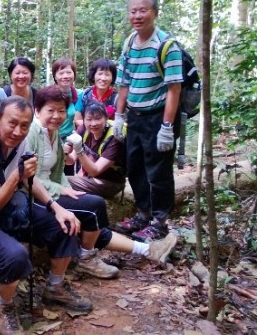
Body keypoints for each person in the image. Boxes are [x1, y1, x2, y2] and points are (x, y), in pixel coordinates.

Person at [0, 96, 91, 335]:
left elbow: (28, 179)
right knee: (15, 255)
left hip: (4, 206)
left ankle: (54, 287)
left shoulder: (21, 143)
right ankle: (3, 309)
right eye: (12, 123)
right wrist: (17, 176)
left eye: (25, 125)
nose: (18, 131)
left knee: (64, 225)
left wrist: (56, 208)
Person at [27, 86, 178, 279]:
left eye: (61, 111)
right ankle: (86, 260)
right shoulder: (32, 132)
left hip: (54, 190)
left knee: (90, 220)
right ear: (37, 111)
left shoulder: (54, 132)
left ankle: (148, 250)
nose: (56, 115)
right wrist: (62, 189)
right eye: (50, 110)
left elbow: (58, 172)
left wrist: (64, 187)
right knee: (93, 207)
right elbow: (30, 178)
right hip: (36, 195)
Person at [113, 0, 183, 242]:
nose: (137, 15)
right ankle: (143, 214)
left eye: (143, 10)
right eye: (133, 11)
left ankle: (160, 221)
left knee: (159, 171)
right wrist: (119, 116)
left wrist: (167, 126)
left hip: (158, 117)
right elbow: (124, 82)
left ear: (155, 12)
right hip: (136, 116)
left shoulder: (167, 46)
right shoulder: (130, 42)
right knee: (136, 167)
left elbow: (174, 88)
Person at [67, 102, 125, 199]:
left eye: (98, 118)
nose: (93, 123)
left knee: (63, 181)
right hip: (88, 178)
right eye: (89, 119)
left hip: (110, 182)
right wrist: (64, 153)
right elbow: (71, 160)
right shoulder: (83, 129)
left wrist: (79, 149)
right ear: (84, 120)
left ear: (106, 118)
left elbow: (95, 171)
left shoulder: (114, 138)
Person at [52, 57, 79, 175]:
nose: (65, 76)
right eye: (61, 73)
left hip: (69, 139)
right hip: (52, 139)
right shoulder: (49, 94)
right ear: (55, 76)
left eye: (69, 72)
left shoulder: (78, 95)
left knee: (68, 173)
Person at [74, 58, 118, 128]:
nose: (103, 78)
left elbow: (121, 123)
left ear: (112, 78)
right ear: (94, 76)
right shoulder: (85, 95)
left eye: (107, 75)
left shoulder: (117, 99)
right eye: (100, 74)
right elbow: (77, 119)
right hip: (86, 134)